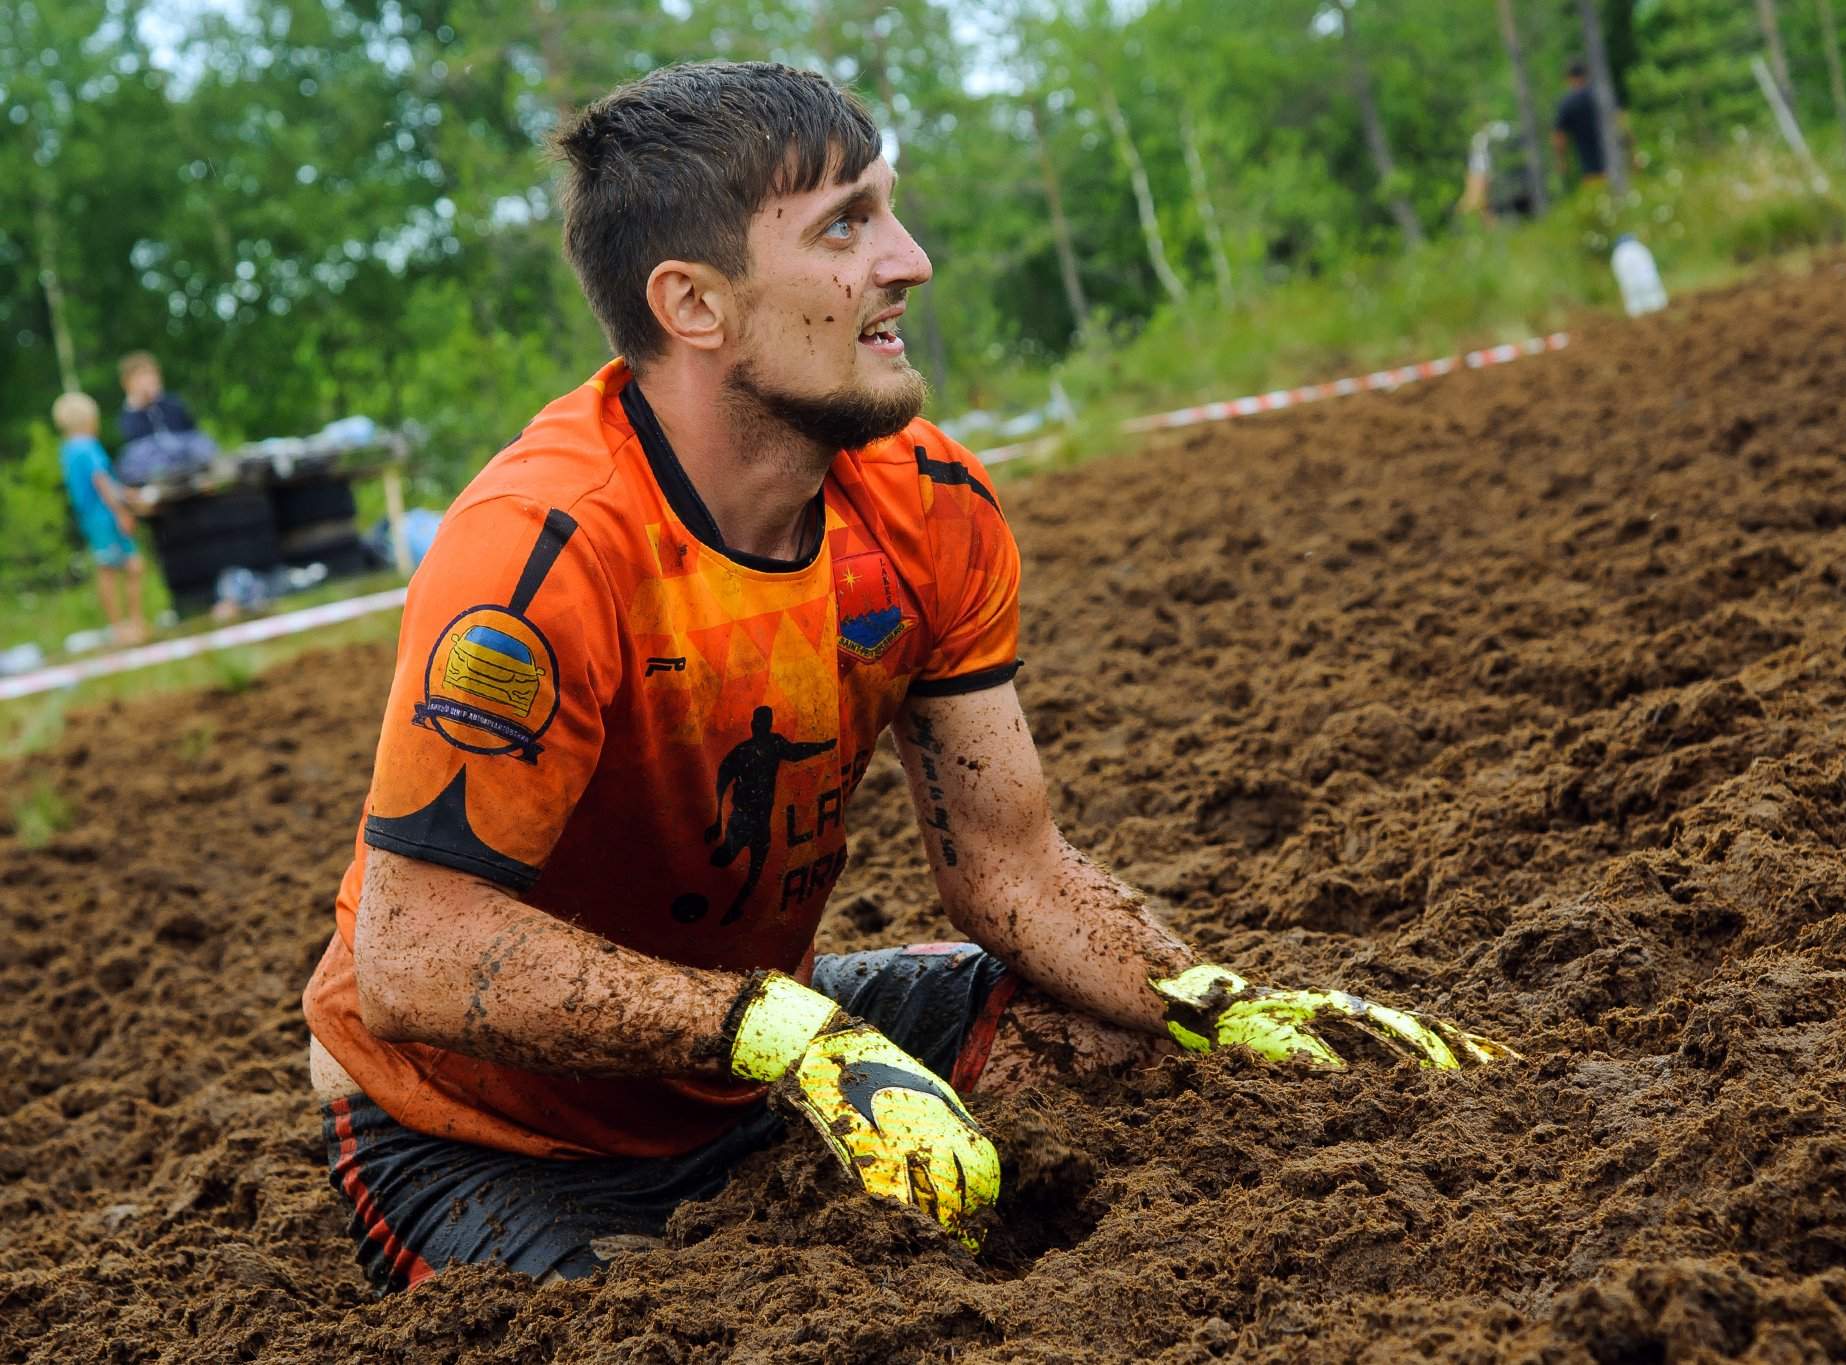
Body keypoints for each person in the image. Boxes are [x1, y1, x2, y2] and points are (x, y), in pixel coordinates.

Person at [300, 61, 1517, 1295]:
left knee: (1121, 1045)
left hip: (756, 1037)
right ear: (694, 305)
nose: (909, 258)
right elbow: (417, 952)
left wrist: (1208, 999)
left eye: (888, 208)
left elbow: (1009, 865)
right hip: (482, 1131)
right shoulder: (542, 551)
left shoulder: (927, 503)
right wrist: (778, 1031)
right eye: (845, 225)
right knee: (650, 1325)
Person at [53, 392, 148, 647]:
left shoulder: (68, 451)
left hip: (91, 518)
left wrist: (127, 493)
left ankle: (120, 627)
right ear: (89, 419)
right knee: (132, 566)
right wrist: (122, 511)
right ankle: (132, 624)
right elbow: (102, 481)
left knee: (108, 570)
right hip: (106, 516)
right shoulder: (88, 447)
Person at [114, 351, 216, 484]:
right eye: (142, 376)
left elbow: (196, 435)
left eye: (152, 374)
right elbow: (138, 452)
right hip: (158, 477)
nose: (150, 380)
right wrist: (141, 404)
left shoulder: (173, 404)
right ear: (127, 383)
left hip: (190, 469)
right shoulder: (128, 417)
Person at [1553, 62, 1609, 184]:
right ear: (1586, 75)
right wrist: (1633, 153)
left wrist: (1561, 160)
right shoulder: (1601, 94)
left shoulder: (1567, 104)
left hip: (1591, 170)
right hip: (1616, 161)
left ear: (1569, 78)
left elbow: (1559, 136)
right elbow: (1621, 123)